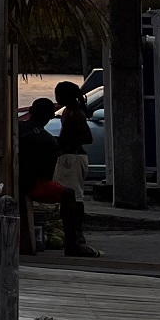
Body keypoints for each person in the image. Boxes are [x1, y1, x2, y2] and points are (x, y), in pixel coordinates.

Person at [52, 89, 98, 258]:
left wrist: (65, 144)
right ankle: (72, 233)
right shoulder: (68, 111)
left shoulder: (76, 114)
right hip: (69, 156)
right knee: (68, 198)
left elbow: (87, 137)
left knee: (74, 198)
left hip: (73, 157)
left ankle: (77, 234)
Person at [17, 98, 62, 256]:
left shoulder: (17, 128)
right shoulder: (48, 140)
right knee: (69, 195)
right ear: (50, 116)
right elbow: (47, 175)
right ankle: (74, 242)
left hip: (17, 179)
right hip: (31, 185)